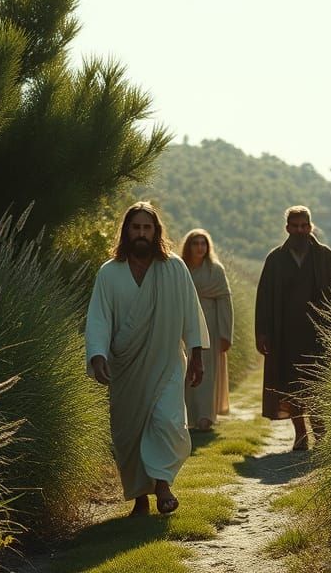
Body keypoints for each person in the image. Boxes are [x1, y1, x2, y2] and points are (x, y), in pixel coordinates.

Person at [85, 201, 209, 517]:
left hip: (166, 362)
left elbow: (191, 315)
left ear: (156, 232)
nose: (141, 233)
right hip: (125, 367)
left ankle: (163, 485)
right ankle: (141, 498)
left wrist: (197, 356)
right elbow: (99, 318)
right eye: (136, 227)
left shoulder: (175, 268)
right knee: (131, 431)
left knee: (168, 423)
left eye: (147, 227)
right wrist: (98, 355)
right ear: (127, 231)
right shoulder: (109, 273)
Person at [255, 205, 331, 451]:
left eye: (304, 226)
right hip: (286, 334)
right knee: (292, 387)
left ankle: (320, 432)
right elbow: (263, 298)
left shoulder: (325, 256)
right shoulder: (275, 259)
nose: (300, 230)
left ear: (310, 226)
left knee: (318, 385)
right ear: (287, 228)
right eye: (295, 226)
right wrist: (263, 332)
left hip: (318, 333)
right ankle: (301, 434)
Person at [181, 229, 233, 431]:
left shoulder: (215, 270)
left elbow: (225, 302)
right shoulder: (180, 268)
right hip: (185, 323)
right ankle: (186, 415)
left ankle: (205, 416)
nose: (200, 247)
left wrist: (225, 334)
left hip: (210, 324)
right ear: (189, 246)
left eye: (203, 243)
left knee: (208, 370)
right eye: (196, 243)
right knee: (184, 367)